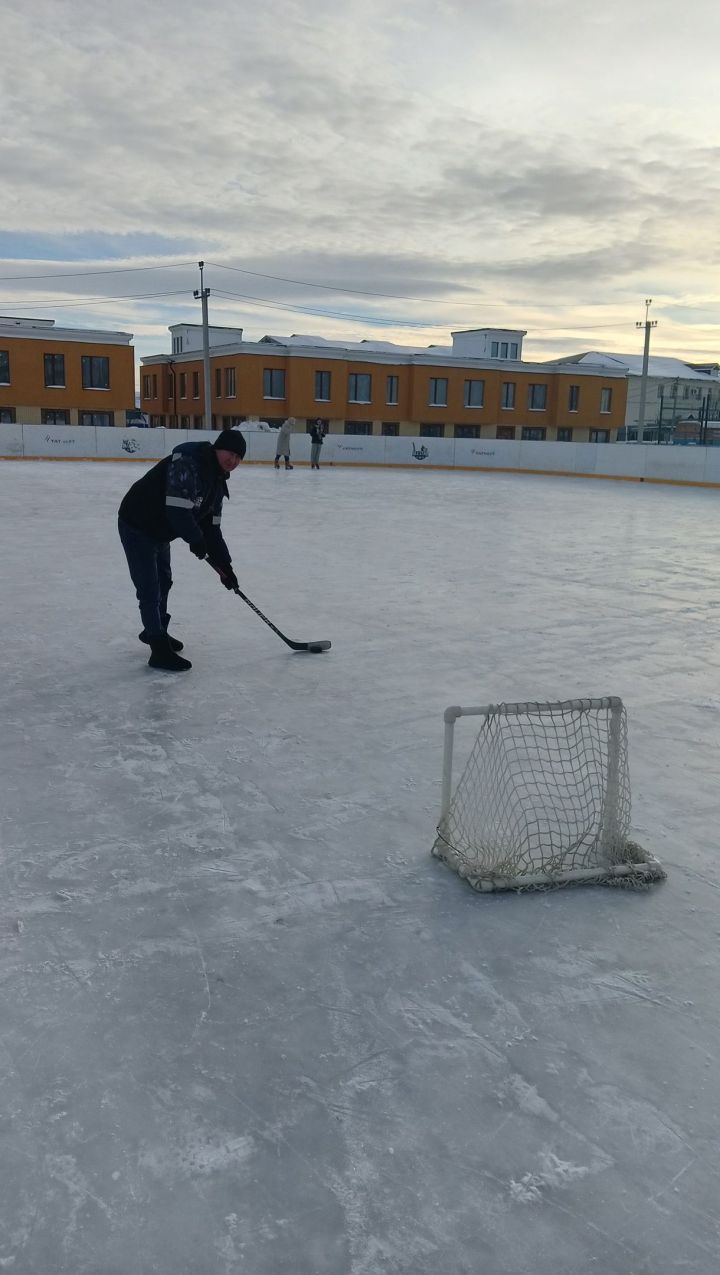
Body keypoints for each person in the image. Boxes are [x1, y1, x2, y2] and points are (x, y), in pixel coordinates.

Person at [118, 428, 246, 672]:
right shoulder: (189, 463)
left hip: (159, 530)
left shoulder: (217, 483)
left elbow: (212, 529)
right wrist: (195, 540)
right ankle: (158, 649)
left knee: (164, 581)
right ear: (217, 448)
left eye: (239, 457)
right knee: (149, 586)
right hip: (137, 523)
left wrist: (225, 567)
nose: (234, 461)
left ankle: (156, 631)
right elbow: (177, 510)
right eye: (230, 453)